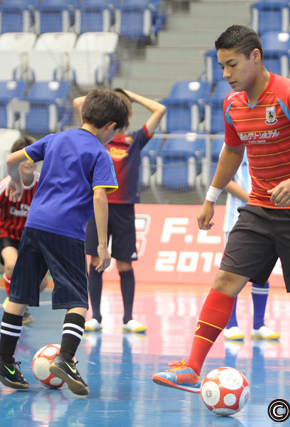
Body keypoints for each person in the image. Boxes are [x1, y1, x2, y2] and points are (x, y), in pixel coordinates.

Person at [151, 25, 290, 402]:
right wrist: (210, 197)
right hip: (258, 208)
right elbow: (232, 150)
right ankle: (192, 367)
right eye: (221, 66)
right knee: (225, 279)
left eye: (232, 64)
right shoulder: (233, 104)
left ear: (255, 56)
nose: (226, 73)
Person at [0, 89, 130, 395]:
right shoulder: (100, 153)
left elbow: (12, 160)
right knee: (78, 301)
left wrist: (15, 180)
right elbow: (100, 197)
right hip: (66, 231)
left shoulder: (55, 139)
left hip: (34, 226)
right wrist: (102, 245)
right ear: (110, 127)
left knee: (18, 297)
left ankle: (4, 361)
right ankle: (65, 358)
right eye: (115, 133)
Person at [73, 88, 166, 334]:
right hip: (97, 207)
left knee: (125, 265)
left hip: (124, 210)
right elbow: (78, 102)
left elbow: (160, 110)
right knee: (95, 262)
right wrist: (108, 98)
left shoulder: (135, 140)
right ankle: (96, 316)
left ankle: (128, 319)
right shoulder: (96, 138)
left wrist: (131, 96)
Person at [0, 135, 48, 324]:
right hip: (8, 234)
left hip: (31, 238)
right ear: (15, 160)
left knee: (42, 283)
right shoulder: (6, 185)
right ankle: (14, 305)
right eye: (24, 158)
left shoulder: (42, 183)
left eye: (33, 157)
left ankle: (19, 304)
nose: (29, 162)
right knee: (12, 265)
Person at [221, 151, 279, 341]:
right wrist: (253, 199)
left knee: (262, 274)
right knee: (232, 274)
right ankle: (230, 325)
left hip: (266, 218)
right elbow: (225, 181)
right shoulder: (234, 144)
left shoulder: (269, 143)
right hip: (236, 220)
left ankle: (258, 325)